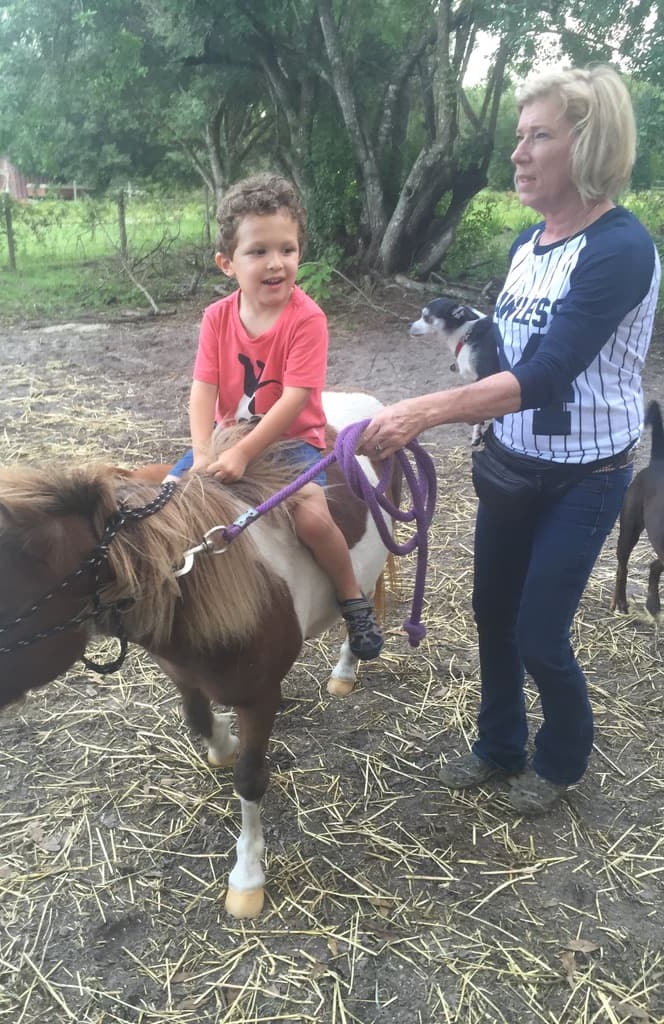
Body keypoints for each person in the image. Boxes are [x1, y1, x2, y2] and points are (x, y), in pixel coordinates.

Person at [360, 65, 661, 813]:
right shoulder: (531, 243)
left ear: (587, 146)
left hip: (585, 476)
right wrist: (466, 383)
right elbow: (506, 353)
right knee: (492, 613)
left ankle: (560, 762)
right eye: (518, 137)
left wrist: (427, 409)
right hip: (511, 462)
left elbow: (553, 370)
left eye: (539, 137)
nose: (518, 155)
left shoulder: (621, 250)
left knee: (538, 632)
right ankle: (500, 745)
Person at [167, 173, 383, 660]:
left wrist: (244, 452)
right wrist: (204, 451)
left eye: (287, 249)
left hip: (292, 441)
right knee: (166, 502)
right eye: (258, 251)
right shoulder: (216, 318)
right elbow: (202, 391)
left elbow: (294, 399)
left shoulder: (307, 319)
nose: (275, 263)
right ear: (227, 263)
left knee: (311, 517)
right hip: (226, 438)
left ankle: (351, 598)